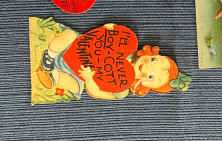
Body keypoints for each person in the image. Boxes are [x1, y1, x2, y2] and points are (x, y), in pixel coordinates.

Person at [37, 25, 190, 100]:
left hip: (79, 74)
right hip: (79, 48)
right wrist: (109, 28)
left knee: (75, 86)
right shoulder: (128, 45)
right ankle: (49, 56)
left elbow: (97, 93)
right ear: (151, 53)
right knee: (69, 34)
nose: (146, 66)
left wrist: (89, 78)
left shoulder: (121, 90)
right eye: (153, 60)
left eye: (150, 76)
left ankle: (53, 76)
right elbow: (107, 34)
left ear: (144, 87)